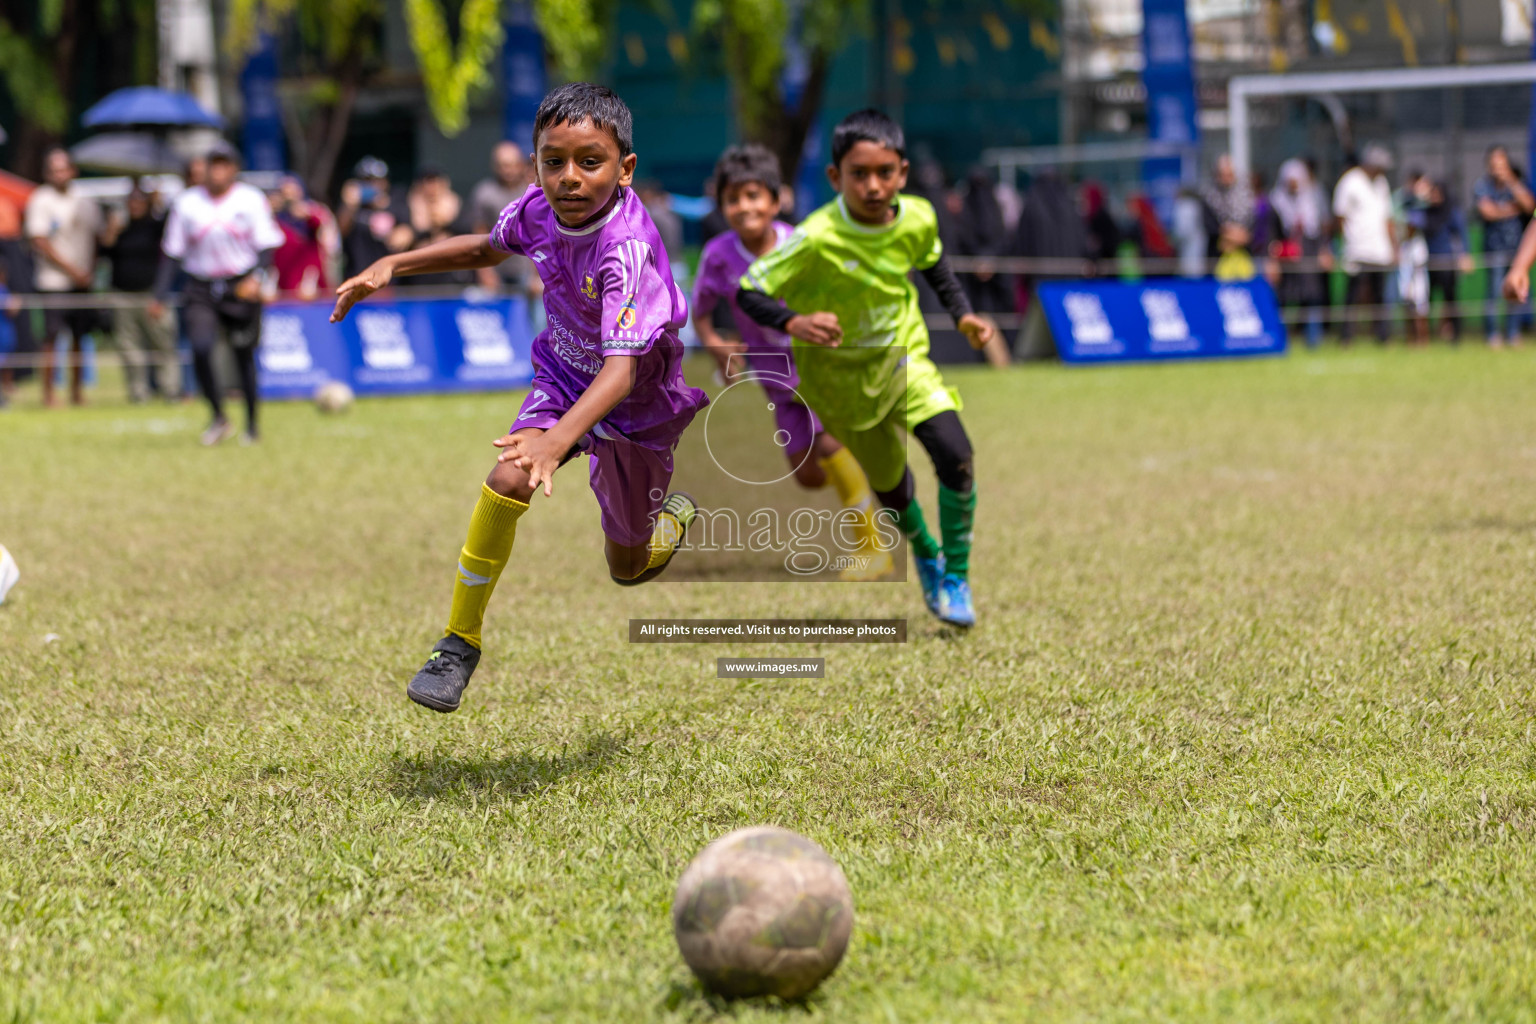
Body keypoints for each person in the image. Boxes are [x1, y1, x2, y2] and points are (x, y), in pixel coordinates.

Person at [329, 82, 708, 714]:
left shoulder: (626, 249)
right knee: (507, 479)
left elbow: (619, 372)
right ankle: (457, 644)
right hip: (563, 376)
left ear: (625, 169)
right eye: (552, 160)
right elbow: (485, 246)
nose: (568, 177)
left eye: (590, 161)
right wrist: (396, 262)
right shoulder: (537, 208)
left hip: (637, 404)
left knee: (628, 566)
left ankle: (671, 521)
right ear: (535, 164)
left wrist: (560, 442)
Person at [736, 109, 997, 627]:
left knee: (956, 454)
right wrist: (797, 321)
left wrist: (964, 313)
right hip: (841, 384)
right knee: (894, 490)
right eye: (859, 174)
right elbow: (750, 291)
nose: (873, 186)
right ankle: (925, 551)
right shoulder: (816, 236)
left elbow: (934, 265)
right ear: (836, 178)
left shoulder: (918, 216)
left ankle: (957, 578)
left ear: (902, 171)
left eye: (884, 173)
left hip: (904, 363)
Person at [690, 143, 891, 580]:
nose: (744, 207)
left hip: (818, 364)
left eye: (754, 196)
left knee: (828, 442)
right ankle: (861, 462)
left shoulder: (801, 243)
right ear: (721, 205)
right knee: (809, 475)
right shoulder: (719, 256)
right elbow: (700, 311)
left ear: (776, 200)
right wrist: (715, 344)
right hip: (772, 376)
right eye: (733, 199)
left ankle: (874, 548)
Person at [155, 141, 285, 445]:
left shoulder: (250, 199)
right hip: (200, 285)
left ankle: (252, 424)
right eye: (213, 164)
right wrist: (158, 294)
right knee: (200, 347)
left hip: (240, 285)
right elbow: (172, 253)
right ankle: (218, 416)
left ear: (234, 169)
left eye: (224, 164)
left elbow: (267, 245)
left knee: (244, 355)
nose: (217, 171)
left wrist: (258, 278)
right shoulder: (187, 203)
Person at [25, 148, 103, 407]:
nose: (60, 174)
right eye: (55, 169)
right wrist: (74, 271)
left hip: (83, 282)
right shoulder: (41, 200)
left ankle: (77, 393)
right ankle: (48, 395)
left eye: (64, 168)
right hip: (53, 282)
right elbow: (40, 241)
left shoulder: (86, 200)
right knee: (51, 338)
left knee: (80, 338)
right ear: (47, 173)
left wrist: (88, 271)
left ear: (73, 170)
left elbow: (96, 238)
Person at [102, 182, 177, 401]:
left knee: (163, 345)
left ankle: (170, 390)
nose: (135, 204)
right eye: (131, 200)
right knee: (129, 348)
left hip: (152, 294)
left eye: (139, 199)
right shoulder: (120, 228)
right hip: (123, 294)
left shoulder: (156, 226)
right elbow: (104, 252)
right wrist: (111, 231)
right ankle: (138, 393)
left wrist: (159, 205)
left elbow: (171, 230)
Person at [1333, 145, 1397, 344]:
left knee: (1379, 295)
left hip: (1380, 250)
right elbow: (1340, 216)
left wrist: (1394, 246)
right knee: (1353, 295)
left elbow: (1387, 217)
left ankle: (1382, 337)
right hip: (1357, 249)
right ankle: (1347, 337)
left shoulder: (1381, 183)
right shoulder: (1350, 182)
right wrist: (1346, 242)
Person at [1474, 145, 1535, 348]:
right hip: (1494, 249)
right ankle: (1492, 334)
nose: (1497, 168)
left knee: (1518, 293)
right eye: (1494, 165)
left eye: (1501, 164)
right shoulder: (1482, 186)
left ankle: (1513, 333)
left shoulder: (1517, 184)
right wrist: (1511, 209)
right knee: (1494, 293)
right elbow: (1488, 212)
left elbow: (1528, 206)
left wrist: (1511, 181)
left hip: (1517, 247)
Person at [1267, 158, 1332, 349]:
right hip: (1286, 258)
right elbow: (1272, 234)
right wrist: (1273, 259)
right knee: (1284, 300)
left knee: (1312, 296)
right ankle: (1281, 341)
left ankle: (1313, 340)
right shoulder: (1276, 202)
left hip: (1309, 254)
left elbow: (1320, 229)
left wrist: (1324, 250)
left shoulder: (1313, 198)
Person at [470, 141, 538, 296]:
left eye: (512, 164)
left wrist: (538, 275)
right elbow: (479, 233)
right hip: (496, 268)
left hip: (525, 270)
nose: (508, 170)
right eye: (503, 165)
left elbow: (538, 235)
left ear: (520, 164)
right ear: (494, 166)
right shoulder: (484, 193)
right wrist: (485, 273)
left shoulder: (531, 191)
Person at [338, 157, 412, 279]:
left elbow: (407, 232)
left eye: (378, 180)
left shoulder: (397, 204)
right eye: (367, 181)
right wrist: (349, 205)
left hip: (389, 279)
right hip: (358, 276)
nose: (374, 185)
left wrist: (406, 234)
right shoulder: (353, 209)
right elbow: (340, 232)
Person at [399, 165, 472, 289]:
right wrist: (422, 225)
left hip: (452, 275)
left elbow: (469, 233)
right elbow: (401, 239)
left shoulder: (457, 204)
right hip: (420, 276)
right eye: (427, 182)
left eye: (436, 182)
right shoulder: (408, 206)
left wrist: (446, 221)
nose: (432, 187)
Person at [270, 175, 334, 299]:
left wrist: (307, 214)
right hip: (284, 279)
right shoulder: (276, 217)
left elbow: (325, 236)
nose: (289, 196)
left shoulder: (313, 211)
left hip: (308, 279)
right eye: (285, 193)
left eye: (293, 192)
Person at [1421, 179, 1469, 343]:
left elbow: (1462, 234)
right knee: (1426, 302)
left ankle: (1456, 335)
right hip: (1429, 264)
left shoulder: (1450, 212)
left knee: (1451, 301)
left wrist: (1465, 256)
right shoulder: (1426, 212)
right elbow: (1410, 216)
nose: (1434, 197)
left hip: (1447, 263)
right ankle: (1426, 337)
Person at [1201, 155, 1255, 280]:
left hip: (1244, 257)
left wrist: (1241, 237)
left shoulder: (1246, 196)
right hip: (1217, 256)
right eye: (1222, 175)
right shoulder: (1209, 197)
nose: (1226, 179)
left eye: (1229, 175)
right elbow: (1209, 226)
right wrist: (1230, 235)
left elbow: (1252, 225)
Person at [1398, 208, 1431, 346]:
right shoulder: (1405, 244)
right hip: (1406, 282)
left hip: (1418, 282)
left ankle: (1423, 340)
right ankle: (1410, 340)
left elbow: (1419, 262)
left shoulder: (1419, 243)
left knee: (1420, 313)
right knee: (1408, 312)